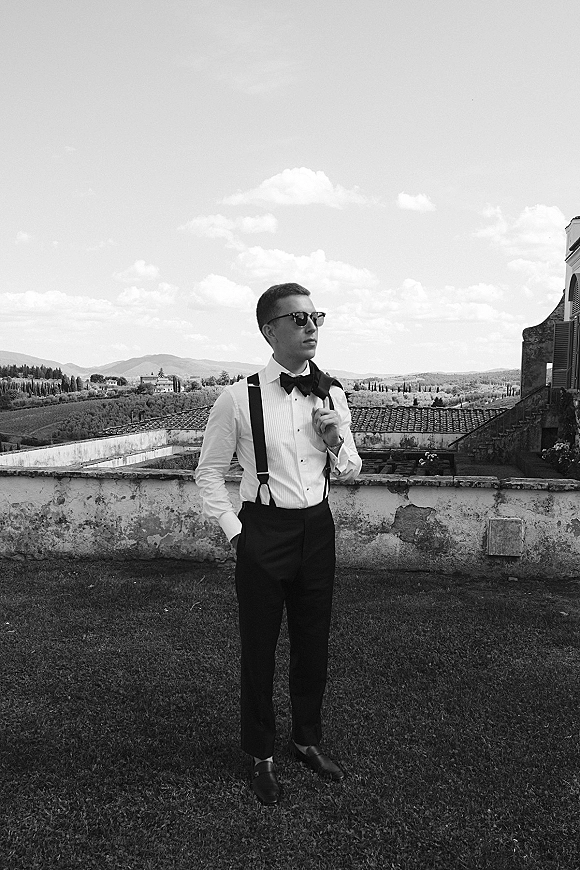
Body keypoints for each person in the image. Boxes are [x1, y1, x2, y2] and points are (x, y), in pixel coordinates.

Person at [195, 282, 362, 805]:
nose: (312, 327)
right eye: (299, 319)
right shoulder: (236, 397)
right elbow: (208, 474)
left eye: (316, 317)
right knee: (259, 648)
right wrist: (237, 532)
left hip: (317, 529)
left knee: (313, 642)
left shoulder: (333, 393)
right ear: (270, 331)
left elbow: (353, 468)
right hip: (262, 531)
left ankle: (307, 740)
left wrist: (336, 441)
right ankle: (260, 753)